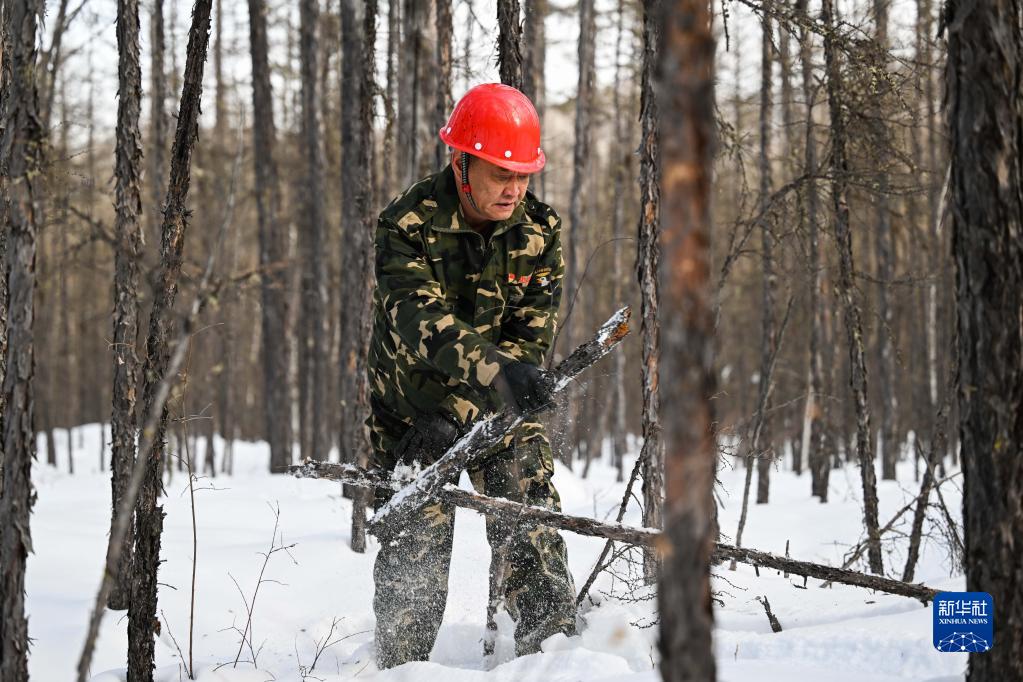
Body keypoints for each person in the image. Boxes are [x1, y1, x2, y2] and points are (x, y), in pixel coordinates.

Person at [366, 83, 577, 668]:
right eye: (499, 174)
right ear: (461, 164)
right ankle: (402, 673)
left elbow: (529, 339)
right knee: (415, 560)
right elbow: (419, 321)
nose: (514, 189)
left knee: (531, 522)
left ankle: (559, 662)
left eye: (524, 175)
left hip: (497, 408)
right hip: (411, 415)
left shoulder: (541, 231)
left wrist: (473, 405)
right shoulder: (405, 225)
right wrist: (491, 378)